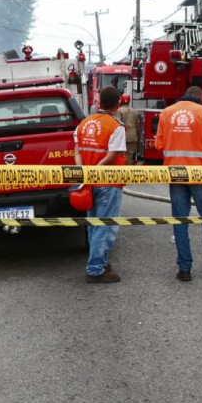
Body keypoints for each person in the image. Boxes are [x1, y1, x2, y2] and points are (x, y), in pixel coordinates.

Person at [155, 85, 202, 282]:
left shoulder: (167, 113)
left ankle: (184, 269)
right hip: (200, 173)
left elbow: (158, 145)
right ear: (200, 96)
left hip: (175, 173)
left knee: (180, 221)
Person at [76, 86, 128, 284]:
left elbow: (78, 151)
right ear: (118, 103)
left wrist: (84, 174)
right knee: (105, 225)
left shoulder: (84, 124)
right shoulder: (116, 126)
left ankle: (100, 261)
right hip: (108, 181)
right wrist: (95, 172)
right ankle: (96, 268)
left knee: (93, 224)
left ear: (99, 102)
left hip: (89, 182)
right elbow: (112, 155)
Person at [117, 94, 142, 164]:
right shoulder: (135, 111)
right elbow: (138, 127)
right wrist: (138, 139)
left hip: (123, 137)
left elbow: (117, 124)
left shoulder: (119, 111)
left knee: (121, 156)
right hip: (132, 137)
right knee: (130, 156)